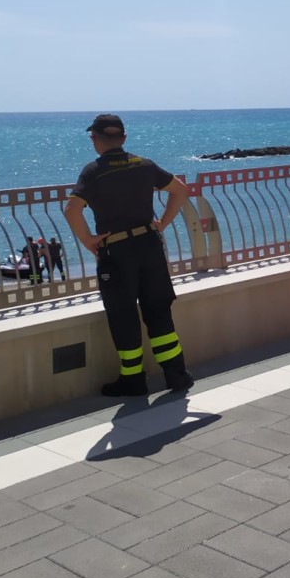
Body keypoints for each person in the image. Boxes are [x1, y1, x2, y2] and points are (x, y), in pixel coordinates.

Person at [65, 114, 194, 396]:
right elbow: (180, 191)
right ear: (123, 138)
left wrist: (88, 241)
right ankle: (177, 374)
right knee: (158, 310)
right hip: (150, 245)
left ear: (94, 139)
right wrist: (162, 223)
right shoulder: (144, 165)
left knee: (123, 315)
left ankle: (133, 379)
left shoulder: (93, 172)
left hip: (117, 251)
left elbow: (71, 210)